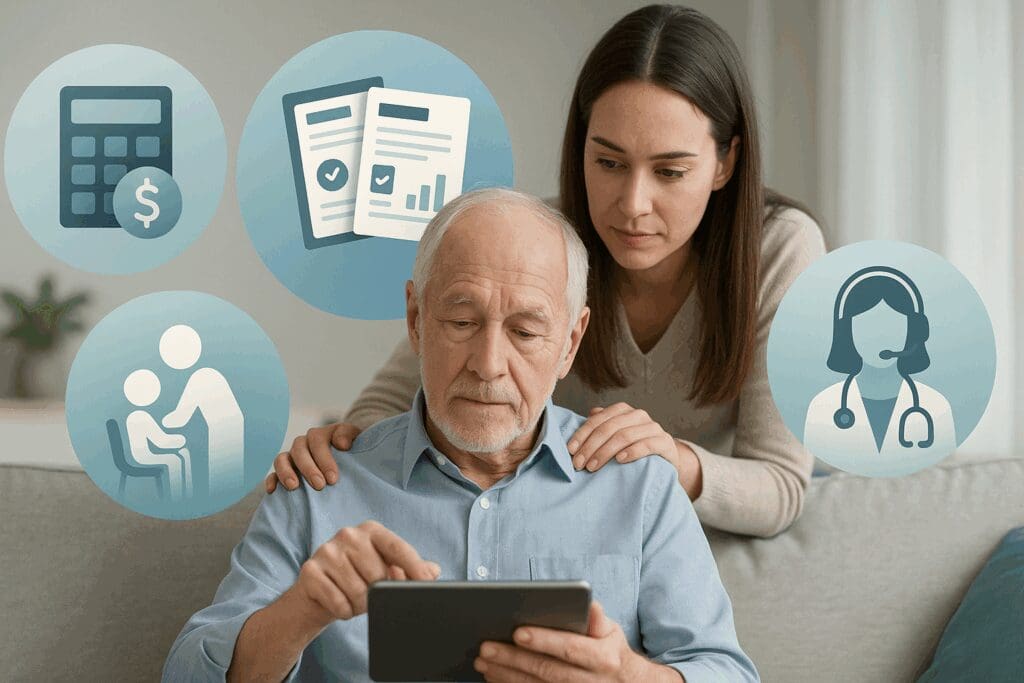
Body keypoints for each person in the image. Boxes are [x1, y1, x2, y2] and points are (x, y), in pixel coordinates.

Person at [269, 4, 826, 538]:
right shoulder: (543, 241)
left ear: (726, 162)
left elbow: (779, 484)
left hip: (682, 529)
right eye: (608, 162)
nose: (632, 203)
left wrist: (668, 459)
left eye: (670, 172)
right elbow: (384, 405)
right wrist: (339, 448)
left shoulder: (779, 249)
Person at [163, 189, 758, 682]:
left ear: (570, 344)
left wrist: (630, 677)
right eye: (462, 321)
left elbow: (727, 671)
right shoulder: (318, 485)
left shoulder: (639, 486)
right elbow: (187, 672)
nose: (488, 362)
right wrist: (302, 611)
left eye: (525, 331)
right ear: (417, 321)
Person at [804, 267, 955, 466]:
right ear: (845, 333)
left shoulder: (937, 407)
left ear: (914, 331)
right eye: (867, 325)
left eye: (892, 324)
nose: (880, 336)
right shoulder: (820, 406)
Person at [160, 324, 246, 495]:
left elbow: (179, 418)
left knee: (220, 480)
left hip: (223, 437)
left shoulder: (201, 377)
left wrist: (159, 420)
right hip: (227, 434)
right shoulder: (208, 375)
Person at [123, 368, 193, 501]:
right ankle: (178, 497)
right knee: (174, 460)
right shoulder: (140, 416)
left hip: (148, 451)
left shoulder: (139, 415)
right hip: (142, 455)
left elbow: (160, 439)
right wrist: (180, 440)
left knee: (183, 454)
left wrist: (177, 440)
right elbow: (160, 441)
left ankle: (186, 492)